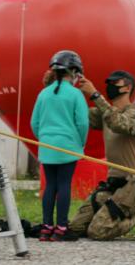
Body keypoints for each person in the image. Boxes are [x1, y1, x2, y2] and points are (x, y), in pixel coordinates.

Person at [68, 70, 135, 242]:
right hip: (113, 185)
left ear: (127, 87)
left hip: (133, 185)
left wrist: (95, 95)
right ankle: (112, 213)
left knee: (97, 231)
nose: (109, 87)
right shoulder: (106, 114)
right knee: (75, 228)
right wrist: (62, 88)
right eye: (108, 83)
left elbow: (119, 124)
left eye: (114, 83)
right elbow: (76, 115)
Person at [31, 50, 89, 242]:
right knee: (64, 184)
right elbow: (82, 123)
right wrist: (80, 143)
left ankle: (46, 227)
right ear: (72, 71)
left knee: (50, 185)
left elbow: (34, 123)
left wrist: (45, 139)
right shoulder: (75, 94)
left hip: (47, 147)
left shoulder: (43, 93)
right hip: (68, 146)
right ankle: (61, 228)